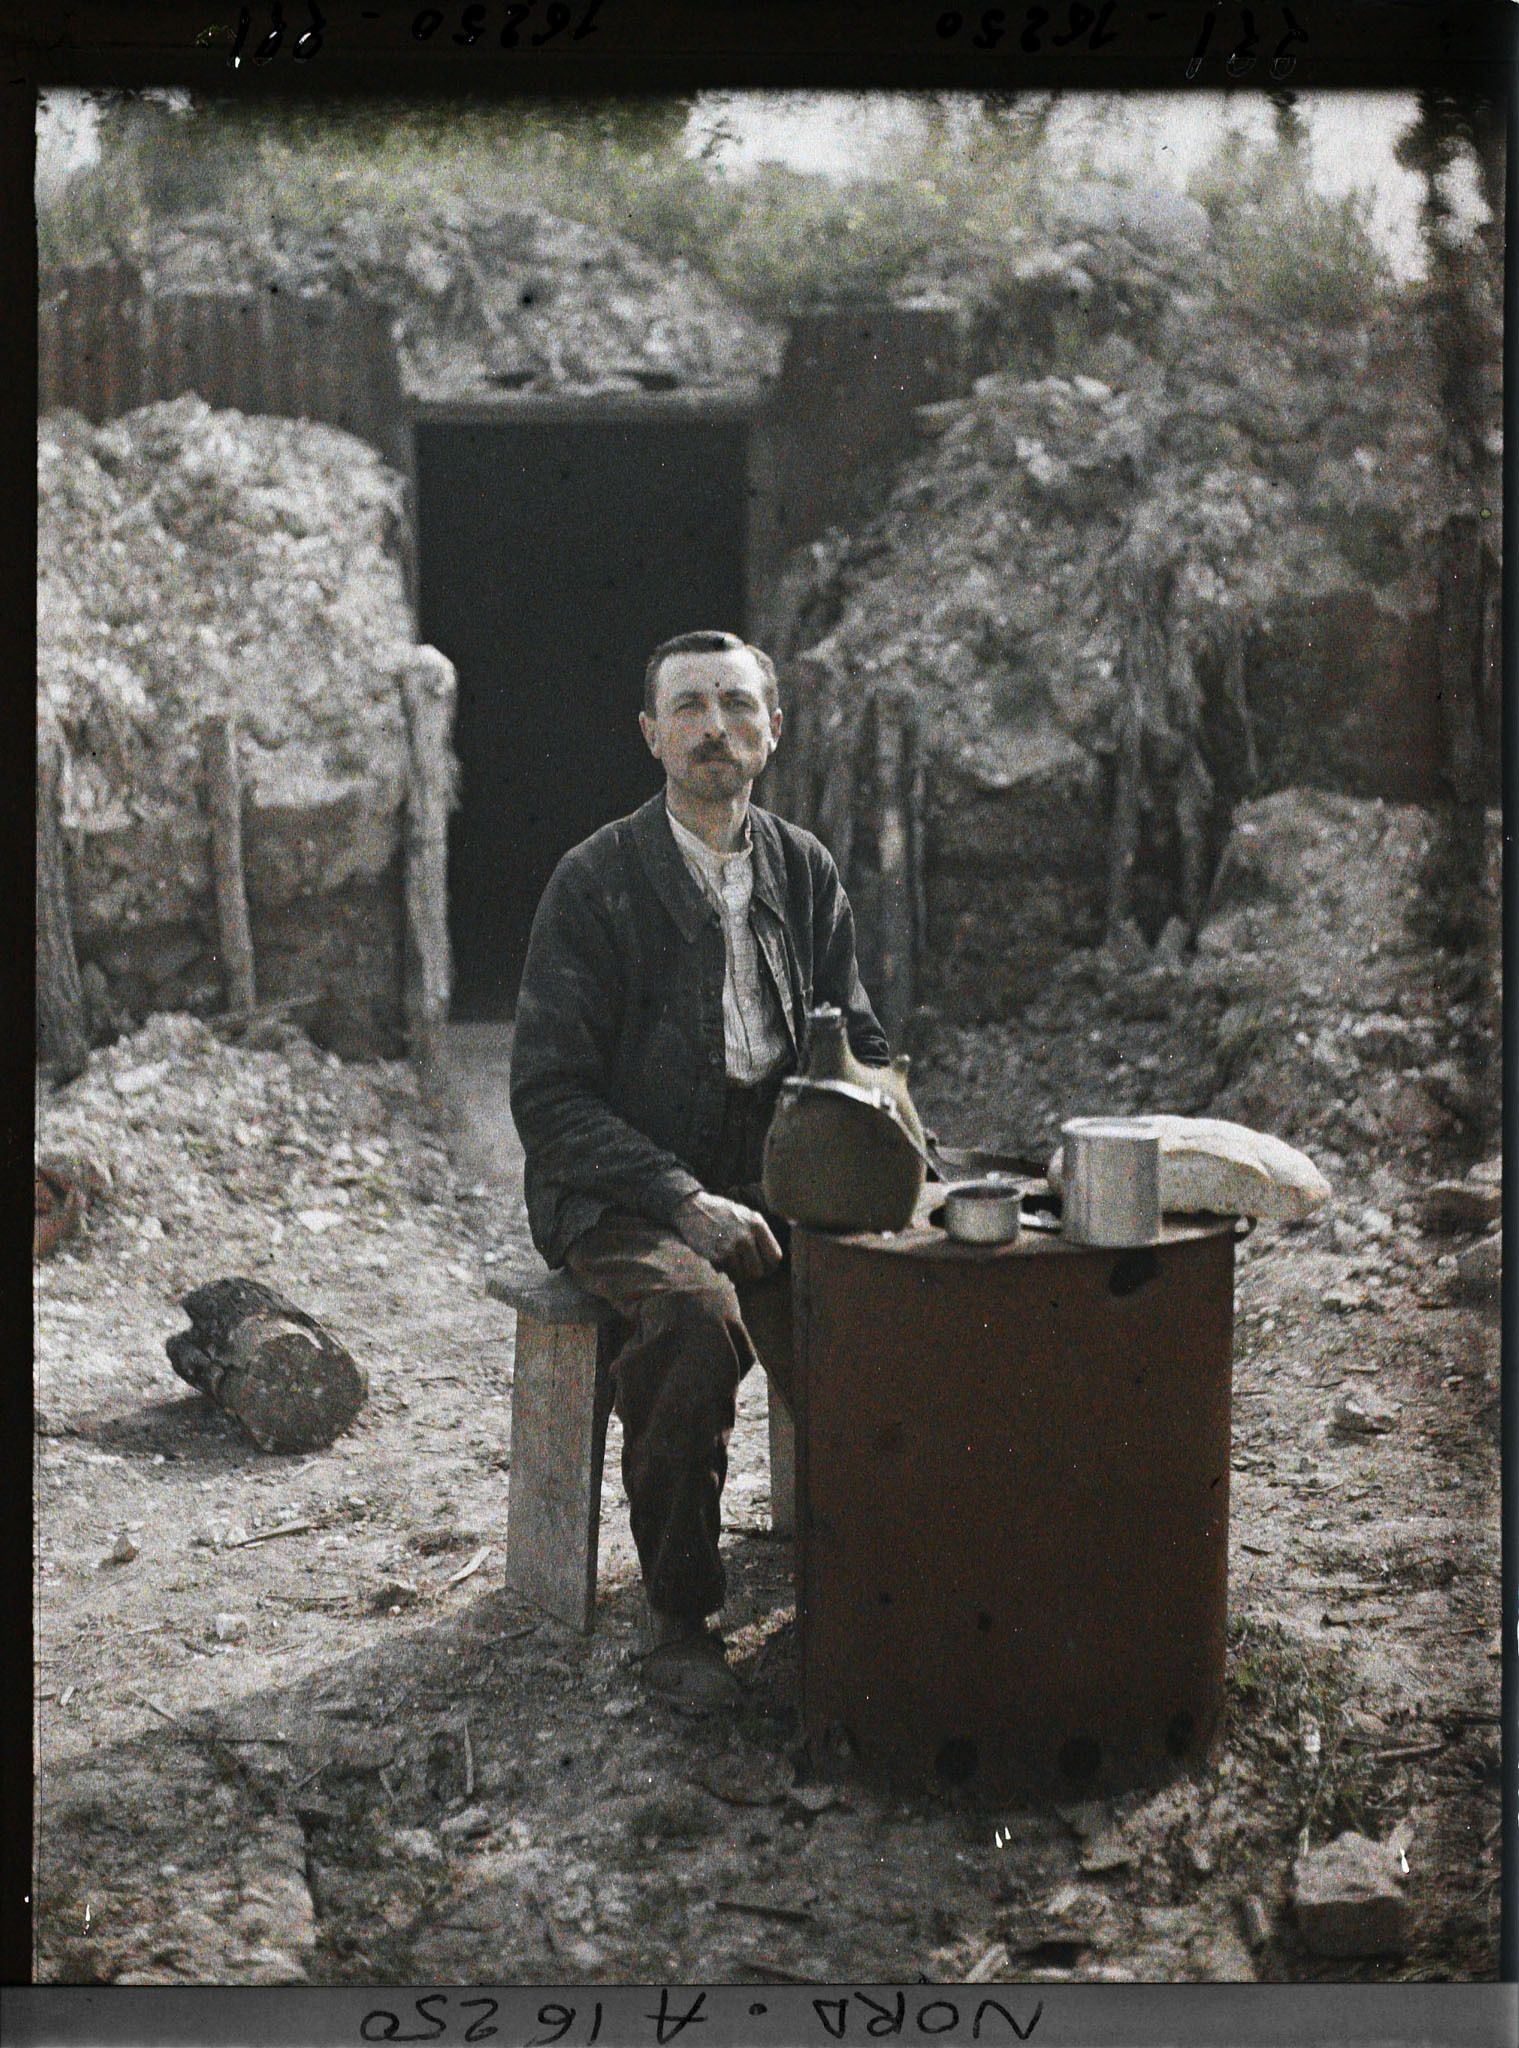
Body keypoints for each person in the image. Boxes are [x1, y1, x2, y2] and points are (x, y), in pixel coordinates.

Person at [509, 628, 889, 1706]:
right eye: (687, 707)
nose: (713, 728)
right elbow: (548, 1098)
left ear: (773, 727)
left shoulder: (802, 868)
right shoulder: (595, 880)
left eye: (735, 704)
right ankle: (681, 1615)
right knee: (689, 1318)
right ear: (649, 734)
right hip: (621, 1187)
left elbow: (856, 1036)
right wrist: (681, 1198)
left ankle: (877, 1580)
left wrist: (885, 1138)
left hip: (768, 1172)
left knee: (895, 1289)